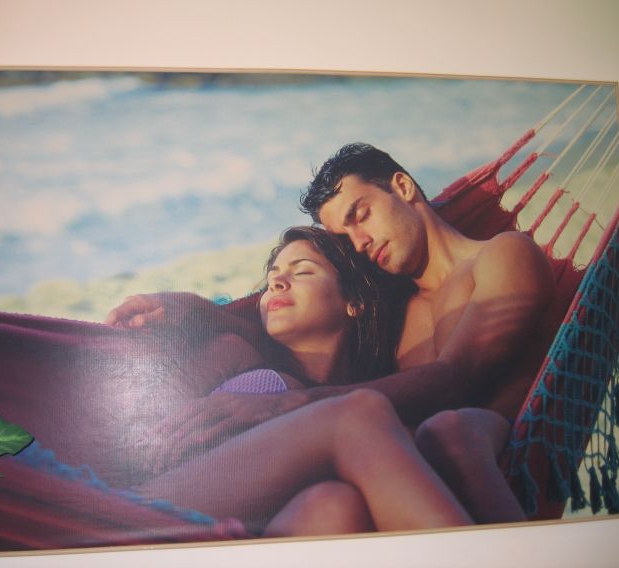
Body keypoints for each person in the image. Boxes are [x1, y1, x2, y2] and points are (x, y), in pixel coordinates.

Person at [128, 226, 472, 536]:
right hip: (154, 503)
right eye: (271, 279)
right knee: (356, 413)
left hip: (255, 535)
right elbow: (138, 431)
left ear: (354, 302)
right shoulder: (236, 353)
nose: (277, 283)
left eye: (303, 271)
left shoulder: (364, 415)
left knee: (335, 506)